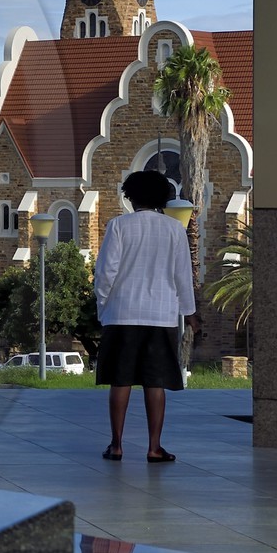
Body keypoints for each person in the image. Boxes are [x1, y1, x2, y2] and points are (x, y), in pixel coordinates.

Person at [93, 169, 196, 463]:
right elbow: (182, 277)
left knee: (120, 380)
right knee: (156, 382)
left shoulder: (118, 226)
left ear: (130, 196)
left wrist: (103, 307)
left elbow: (105, 273)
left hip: (121, 313)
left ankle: (116, 445)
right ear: (163, 197)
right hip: (161, 316)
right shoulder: (175, 229)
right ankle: (154, 447)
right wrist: (189, 313)